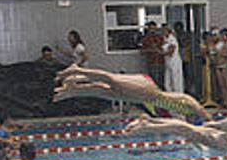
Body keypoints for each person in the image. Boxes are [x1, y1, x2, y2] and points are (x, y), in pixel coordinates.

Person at [53, 64, 211, 123]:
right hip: (149, 91)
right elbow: (205, 116)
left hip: (143, 96)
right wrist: (211, 123)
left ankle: (72, 89)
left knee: (103, 92)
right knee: (111, 80)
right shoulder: (190, 105)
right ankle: (78, 71)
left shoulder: (181, 114)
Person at [140, 21, 165, 89]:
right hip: (152, 62)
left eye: (154, 29)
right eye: (151, 29)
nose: (153, 31)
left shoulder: (160, 38)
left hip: (161, 61)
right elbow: (142, 51)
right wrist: (151, 50)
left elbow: (165, 47)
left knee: (161, 79)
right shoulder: (145, 39)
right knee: (153, 80)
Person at [162, 25, 184, 94]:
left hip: (174, 62)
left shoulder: (172, 39)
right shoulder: (165, 39)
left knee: (176, 81)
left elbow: (171, 52)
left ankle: (178, 96)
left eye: (164, 31)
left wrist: (159, 52)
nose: (163, 32)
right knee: (167, 82)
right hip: (168, 63)